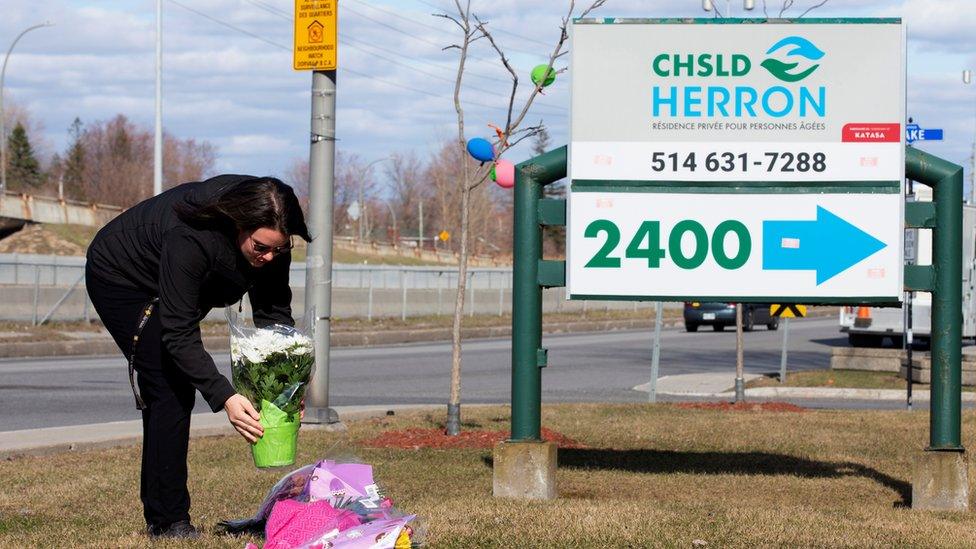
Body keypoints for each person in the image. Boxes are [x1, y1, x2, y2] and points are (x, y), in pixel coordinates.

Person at [85, 174, 311, 539]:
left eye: (278, 250)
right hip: (121, 277)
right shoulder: (191, 235)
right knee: (170, 386)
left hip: (185, 277)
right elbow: (178, 333)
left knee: (174, 381)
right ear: (240, 226)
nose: (269, 257)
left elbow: (273, 315)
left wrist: (288, 387)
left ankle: (163, 510)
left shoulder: (273, 236)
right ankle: (167, 521)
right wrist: (225, 396)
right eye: (260, 248)